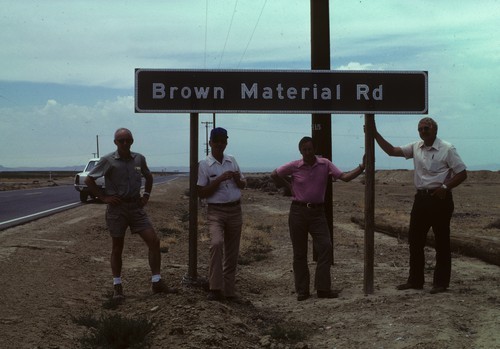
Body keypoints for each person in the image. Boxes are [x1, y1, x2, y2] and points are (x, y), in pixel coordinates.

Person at [374, 117, 467, 294]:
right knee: (415, 241)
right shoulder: (416, 147)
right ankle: (415, 280)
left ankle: (440, 283)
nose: (423, 131)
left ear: (435, 130)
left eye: (426, 128)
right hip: (421, 199)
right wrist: (375, 134)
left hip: (440, 200)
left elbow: (462, 173)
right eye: (420, 129)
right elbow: (392, 151)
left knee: (442, 242)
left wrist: (445, 187)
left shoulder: (447, 148)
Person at [85, 127, 177, 300]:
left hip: (135, 207)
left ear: (132, 141)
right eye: (121, 141)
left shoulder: (139, 159)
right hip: (117, 209)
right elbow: (89, 179)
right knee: (117, 247)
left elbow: (148, 177)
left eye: (128, 140)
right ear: (115, 142)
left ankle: (157, 282)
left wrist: (146, 196)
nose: (125, 143)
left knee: (154, 241)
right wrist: (104, 197)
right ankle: (117, 286)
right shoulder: (108, 160)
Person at [271, 136, 365, 301]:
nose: (307, 152)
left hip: (318, 214)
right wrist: (289, 186)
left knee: (326, 247)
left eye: (310, 149)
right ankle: (302, 290)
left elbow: (345, 177)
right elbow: (275, 174)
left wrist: (362, 167)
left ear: (314, 149)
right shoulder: (295, 165)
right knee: (299, 253)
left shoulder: (325, 164)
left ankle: (323, 289)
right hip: (298, 212)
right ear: (300, 151)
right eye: (304, 149)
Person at [197, 127, 246, 301]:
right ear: (210, 142)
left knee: (232, 251)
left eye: (222, 141)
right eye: (216, 141)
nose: (219, 144)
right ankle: (215, 288)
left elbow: (242, 184)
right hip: (215, 211)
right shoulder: (204, 164)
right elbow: (201, 192)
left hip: (235, 209)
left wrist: (236, 179)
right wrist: (219, 179)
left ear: (226, 142)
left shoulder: (231, 160)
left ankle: (229, 291)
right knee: (216, 244)